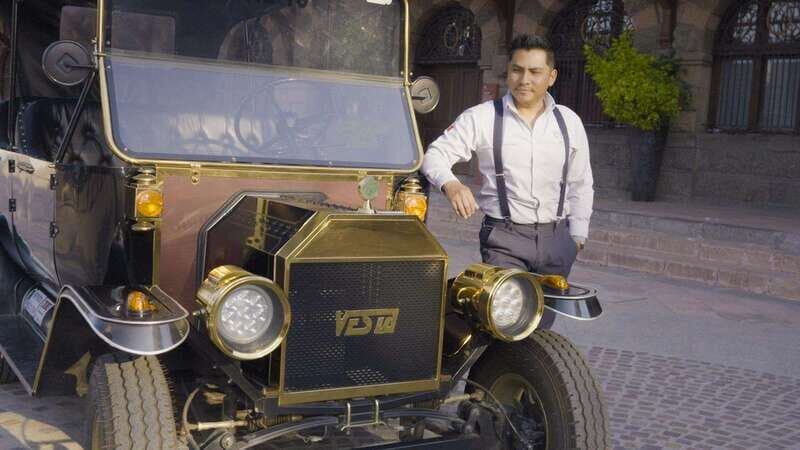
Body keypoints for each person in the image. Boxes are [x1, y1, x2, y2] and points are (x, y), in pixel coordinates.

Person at [421, 34, 594, 328]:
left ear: (551, 77)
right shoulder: (482, 117)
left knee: (540, 328)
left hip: (557, 241)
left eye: (535, 72)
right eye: (517, 70)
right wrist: (452, 185)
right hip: (505, 240)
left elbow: (581, 182)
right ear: (509, 71)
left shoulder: (568, 121)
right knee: (504, 325)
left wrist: (577, 236)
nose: (524, 79)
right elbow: (434, 156)